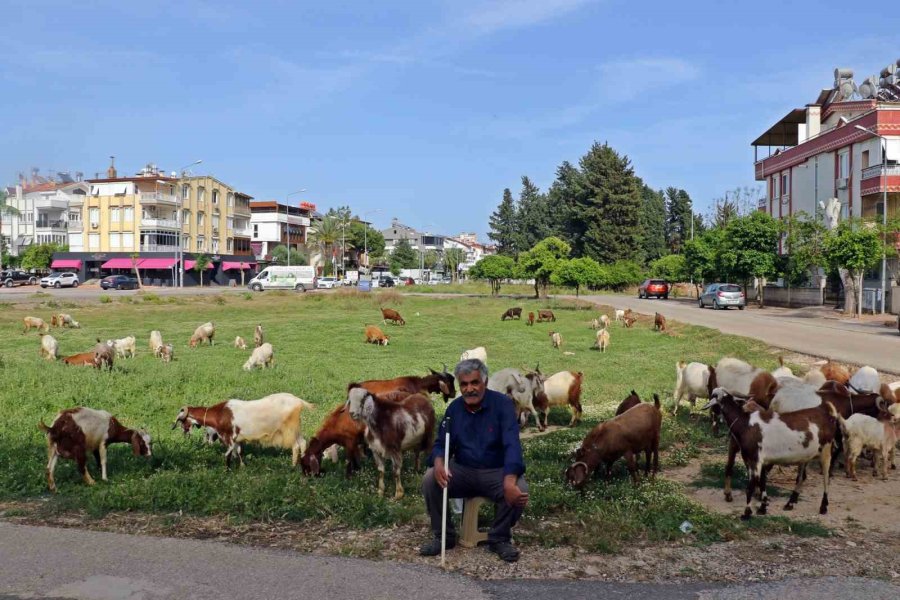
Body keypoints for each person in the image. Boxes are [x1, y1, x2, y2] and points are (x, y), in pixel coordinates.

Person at [419, 358, 528, 562]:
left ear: (484, 382)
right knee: (429, 479)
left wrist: (510, 478)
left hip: (495, 470)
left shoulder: (503, 405)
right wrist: (439, 462)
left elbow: (512, 445)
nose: (470, 389)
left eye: (474, 383)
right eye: (464, 384)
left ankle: (499, 537)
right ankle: (444, 535)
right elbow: (441, 443)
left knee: (520, 488)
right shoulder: (454, 410)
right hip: (463, 470)